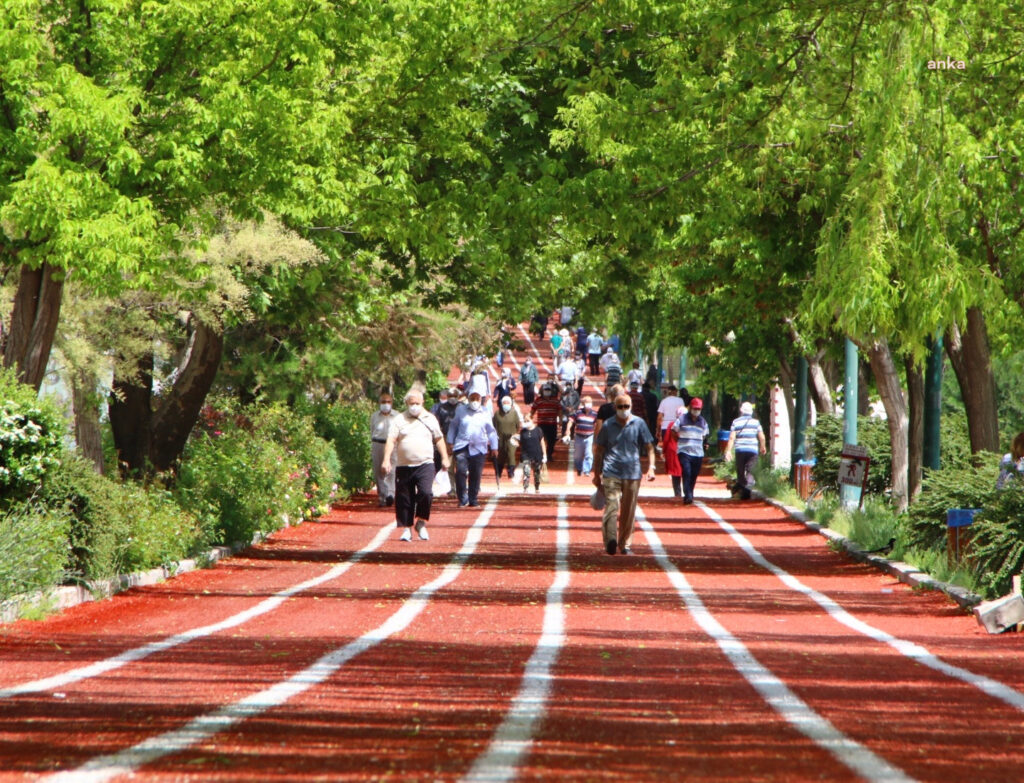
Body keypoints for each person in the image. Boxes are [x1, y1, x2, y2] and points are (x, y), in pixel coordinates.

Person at [592, 393, 656, 555]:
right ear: (615, 407)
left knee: (629, 510)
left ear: (631, 407)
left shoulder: (639, 423)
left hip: (633, 473)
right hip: (611, 471)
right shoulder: (608, 425)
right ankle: (611, 540)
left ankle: (625, 544)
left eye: (626, 407)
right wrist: (596, 473)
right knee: (612, 506)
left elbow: (649, 447)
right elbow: (599, 450)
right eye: (620, 407)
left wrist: (651, 467)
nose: (623, 410)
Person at [381, 390, 448, 541]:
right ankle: (406, 529)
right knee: (404, 498)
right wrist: (386, 459)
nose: (414, 406)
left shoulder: (430, 419)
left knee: (426, 493)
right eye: (412, 404)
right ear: (407, 404)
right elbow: (391, 440)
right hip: (404, 465)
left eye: (417, 403)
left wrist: (444, 457)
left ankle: (421, 522)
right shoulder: (399, 419)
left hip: (425, 463)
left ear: (422, 403)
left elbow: (439, 439)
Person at [447, 391, 498, 507]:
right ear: (468, 399)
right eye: (472, 398)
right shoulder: (461, 410)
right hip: (462, 446)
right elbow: (453, 425)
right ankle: (462, 499)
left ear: (481, 400)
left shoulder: (485, 412)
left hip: (479, 447)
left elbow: (491, 430)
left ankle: (473, 498)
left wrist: (494, 447)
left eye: (477, 398)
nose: (474, 401)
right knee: (460, 472)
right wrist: (450, 442)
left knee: (476, 473)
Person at [723, 402, 767, 500]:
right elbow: (762, 437)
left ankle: (743, 488)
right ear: (751, 412)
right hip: (752, 449)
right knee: (751, 470)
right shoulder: (756, 422)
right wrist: (763, 447)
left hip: (740, 450)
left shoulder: (736, 422)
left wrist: (728, 451)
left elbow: (731, 438)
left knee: (740, 470)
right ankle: (748, 487)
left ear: (741, 411)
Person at [674, 397, 710, 505]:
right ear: (690, 408)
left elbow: (704, 436)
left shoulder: (703, 422)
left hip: (698, 453)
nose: (696, 411)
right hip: (684, 451)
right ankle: (688, 495)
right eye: (695, 408)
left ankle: (690, 491)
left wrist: (702, 443)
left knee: (694, 474)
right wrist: (680, 442)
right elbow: (673, 431)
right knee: (687, 471)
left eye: (698, 409)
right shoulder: (682, 419)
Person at [370, 392, 401, 507]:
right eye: (383, 402)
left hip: (393, 445)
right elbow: (371, 430)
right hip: (378, 443)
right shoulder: (374, 416)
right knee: (379, 470)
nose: (386, 404)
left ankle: (391, 494)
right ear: (379, 403)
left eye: (388, 402)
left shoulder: (397, 416)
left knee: (392, 470)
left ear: (392, 403)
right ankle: (382, 496)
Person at [431, 388, 460, 495]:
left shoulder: (462, 408)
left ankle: (461, 488)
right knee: (450, 465)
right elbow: (438, 423)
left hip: (460, 438)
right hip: (447, 438)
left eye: (454, 396)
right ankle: (452, 489)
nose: (452, 398)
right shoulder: (441, 408)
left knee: (461, 466)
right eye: (450, 396)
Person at [531, 377, 563, 462]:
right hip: (542, 423)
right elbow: (532, 410)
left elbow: (559, 410)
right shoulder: (538, 400)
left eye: (549, 390)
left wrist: (560, 420)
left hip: (552, 423)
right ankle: (542, 454)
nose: (547, 391)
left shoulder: (555, 400)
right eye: (546, 390)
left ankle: (549, 454)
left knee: (552, 440)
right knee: (541, 439)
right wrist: (530, 418)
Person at [493, 394, 523, 483]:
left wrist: (515, 435)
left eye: (507, 403)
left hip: (511, 438)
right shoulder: (497, 414)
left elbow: (518, 425)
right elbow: (494, 425)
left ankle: (511, 471)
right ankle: (499, 471)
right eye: (504, 403)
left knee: (511, 454)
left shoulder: (514, 413)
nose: (506, 404)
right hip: (500, 438)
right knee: (501, 455)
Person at [569, 395, 597, 476]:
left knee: (589, 454)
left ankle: (587, 470)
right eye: (587, 402)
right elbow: (570, 421)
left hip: (589, 436)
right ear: (583, 404)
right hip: (578, 437)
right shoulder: (578, 413)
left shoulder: (595, 414)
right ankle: (579, 468)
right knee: (578, 455)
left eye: (590, 402)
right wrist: (567, 431)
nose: (588, 404)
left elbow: (597, 424)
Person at [519, 413, 547, 492]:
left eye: (528, 420)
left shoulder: (538, 430)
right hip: (526, 454)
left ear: (532, 420)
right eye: (525, 421)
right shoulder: (523, 431)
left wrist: (544, 454)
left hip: (536, 454)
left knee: (536, 472)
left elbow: (542, 443)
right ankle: (525, 487)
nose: (526, 422)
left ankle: (537, 487)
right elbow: (520, 442)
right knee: (526, 471)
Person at [663, 421, 682, 497]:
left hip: (674, 450)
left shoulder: (672, 424)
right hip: (684, 450)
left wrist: (664, 450)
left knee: (676, 472)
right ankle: (687, 492)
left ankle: (678, 493)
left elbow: (666, 439)